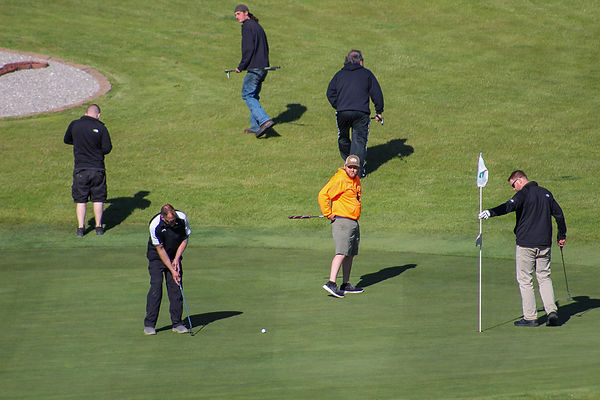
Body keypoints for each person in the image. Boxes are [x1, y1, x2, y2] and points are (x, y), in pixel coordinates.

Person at [479, 170, 567, 327]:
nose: (513, 189)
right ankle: (551, 311)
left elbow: (508, 207)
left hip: (526, 244)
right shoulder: (546, 193)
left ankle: (530, 317)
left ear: (519, 180)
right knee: (544, 277)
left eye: (513, 185)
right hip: (544, 244)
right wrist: (562, 235)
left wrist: (490, 212)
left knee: (525, 280)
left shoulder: (523, 194)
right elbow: (559, 214)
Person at [327, 50, 384, 178]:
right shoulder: (367, 74)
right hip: (361, 113)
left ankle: (348, 164)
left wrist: (339, 105)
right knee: (359, 141)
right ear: (360, 61)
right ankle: (357, 171)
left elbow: (330, 92)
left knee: (343, 137)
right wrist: (379, 111)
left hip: (342, 112)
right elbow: (377, 93)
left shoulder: (339, 75)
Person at [318, 155, 364, 298]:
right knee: (341, 252)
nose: (352, 170)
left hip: (353, 222)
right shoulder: (340, 179)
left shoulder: (356, 180)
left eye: (355, 167)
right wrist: (328, 213)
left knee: (350, 253)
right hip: (342, 221)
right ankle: (331, 283)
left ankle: (346, 284)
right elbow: (323, 195)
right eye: (350, 167)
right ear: (345, 166)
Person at [64, 104, 112, 237]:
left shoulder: (75, 124)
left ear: (86, 113)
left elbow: (67, 140)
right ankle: (98, 227)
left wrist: (80, 144)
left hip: (81, 168)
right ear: (98, 115)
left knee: (81, 199)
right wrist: (95, 149)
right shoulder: (101, 127)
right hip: (97, 168)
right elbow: (107, 148)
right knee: (98, 198)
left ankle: (80, 228)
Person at [144, 204, 192, 335]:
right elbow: (160, 249)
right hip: (157, 257)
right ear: (163, 217)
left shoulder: (181, 219)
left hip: (174, 254)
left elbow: (185, 239)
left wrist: (176, 259)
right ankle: (149, 324)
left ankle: (177, 323)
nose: (173, 223)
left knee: (176, 287)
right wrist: (172, 269)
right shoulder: (154, 225)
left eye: (174, 220)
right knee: (156, 288)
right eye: (170, 221)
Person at [234, 4, 274, 138]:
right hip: (263, 67)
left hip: (255, 68)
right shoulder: (257, 26)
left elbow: (248, 49)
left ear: (246, 13)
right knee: (254, 95)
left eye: (238, 14)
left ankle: (264, 121)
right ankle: (256, 126)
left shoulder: (247, 26)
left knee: (247, 95)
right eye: (235, 15)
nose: (237, 17)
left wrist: (241, 66)